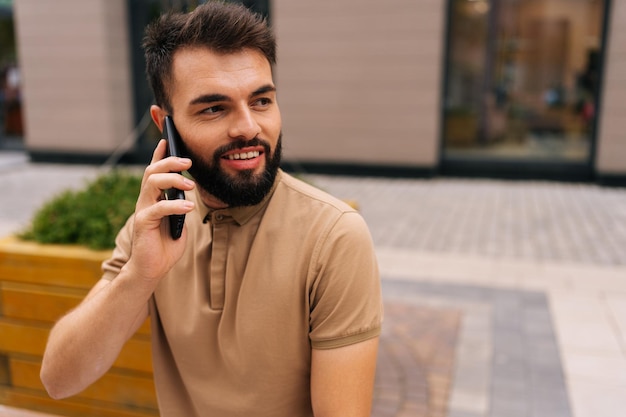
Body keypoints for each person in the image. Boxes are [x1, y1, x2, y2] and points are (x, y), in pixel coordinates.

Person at [40, 2, 383, 416]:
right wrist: (140, 274)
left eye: (260, 101)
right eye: (214, 108)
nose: (248, 128)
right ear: (165, 124)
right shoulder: (153, 228)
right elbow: (59, 380)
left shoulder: (334, 238)